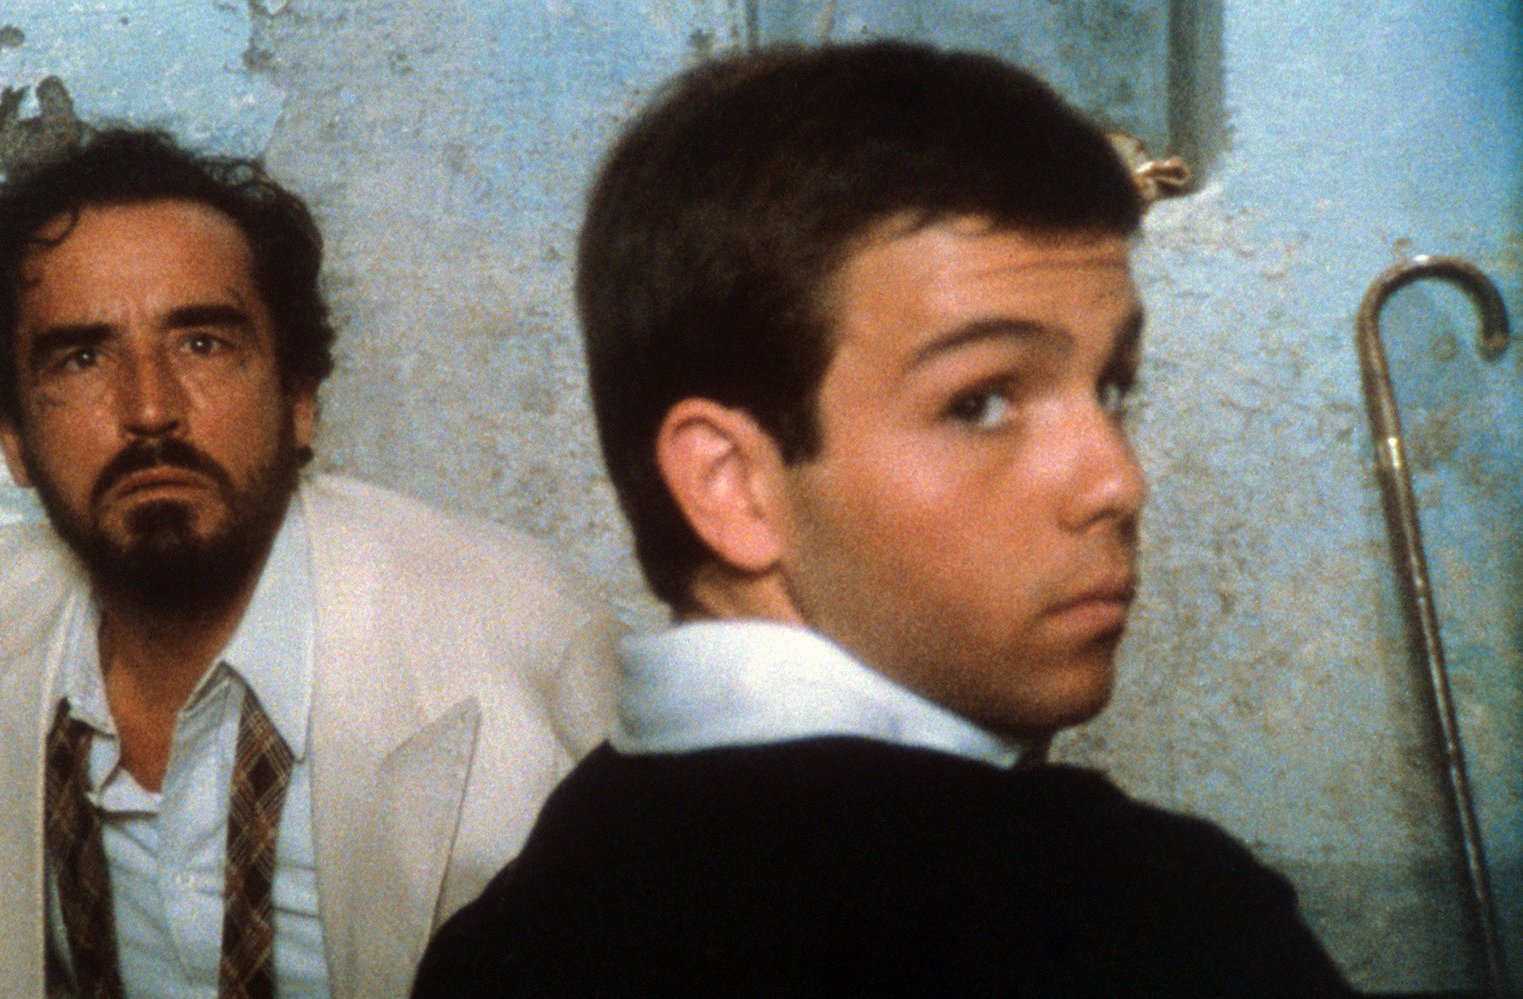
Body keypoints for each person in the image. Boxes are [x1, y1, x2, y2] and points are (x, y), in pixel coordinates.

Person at [410, 42, 1355, 997]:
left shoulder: (506, 927)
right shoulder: (1153, 920)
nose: (1117, 480)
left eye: (1113, 387)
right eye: (981, 402)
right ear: (733, 486)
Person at [0, 130, 617, 999]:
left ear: (299, 398)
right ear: (11, 433)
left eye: (202, 342)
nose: (150, 409)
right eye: (82, 358)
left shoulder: (529, 646)